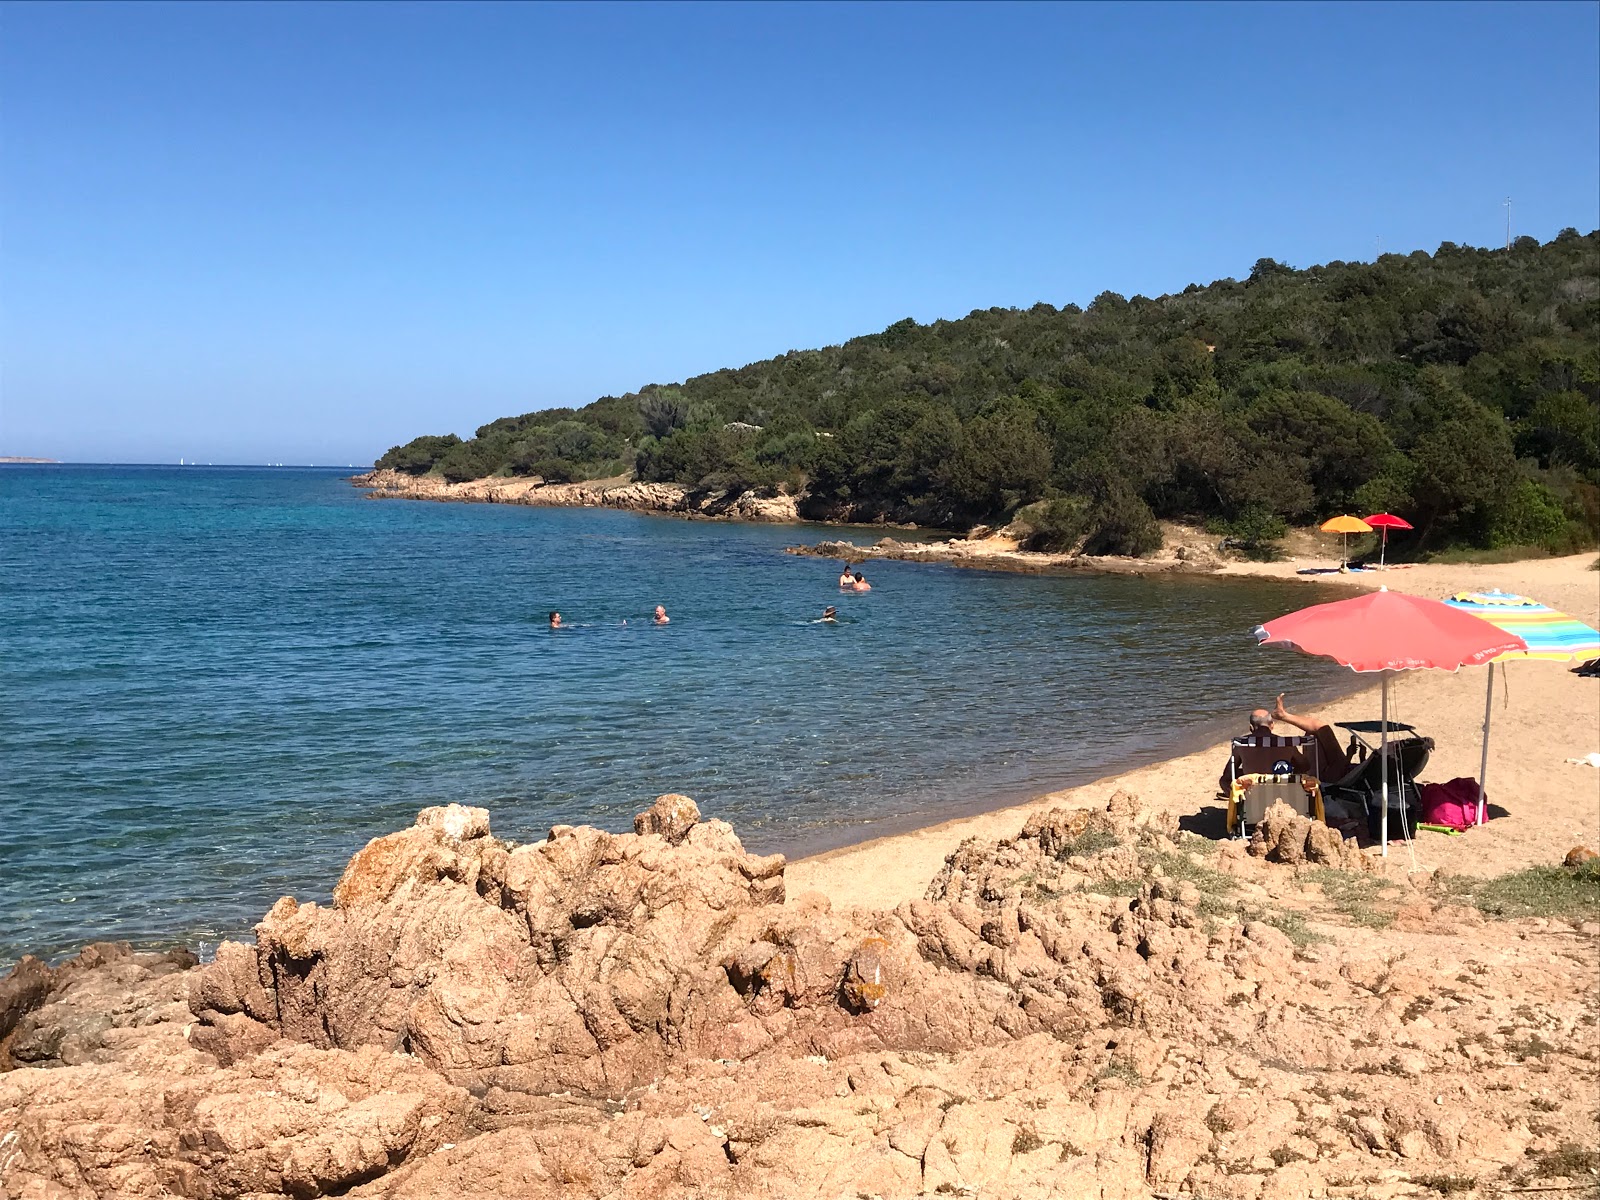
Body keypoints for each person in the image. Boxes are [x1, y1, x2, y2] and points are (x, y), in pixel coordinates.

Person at [1218, 694, 1348, 791]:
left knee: (1230, 778)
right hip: (1284, 795)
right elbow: (1304, 766)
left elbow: (1227, 777)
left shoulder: (1241, 745)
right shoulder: (1286, 744)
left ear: (1251, 728)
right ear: (1272, 725)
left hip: (1253, 800)